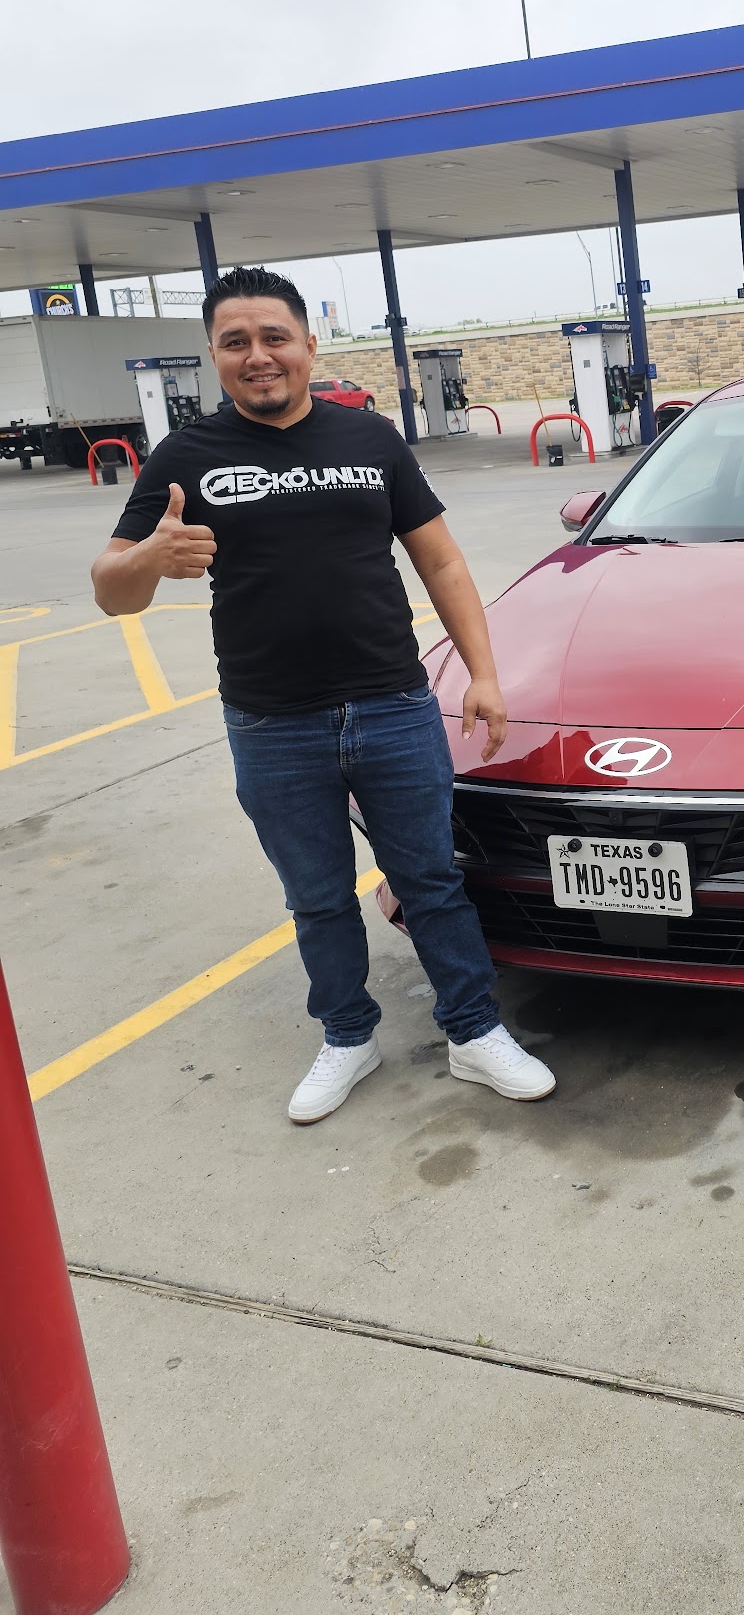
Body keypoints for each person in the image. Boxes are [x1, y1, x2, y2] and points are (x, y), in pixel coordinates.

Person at [92, 265, 554, 1122]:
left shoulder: (370, 439)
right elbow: (112, 591)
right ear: (214, 355)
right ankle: (347, 1034)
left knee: (431, 881)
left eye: (274, 337)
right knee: (315, 896)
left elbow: (442, 560)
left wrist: (484, 674)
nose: (258, 356)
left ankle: (473, 1030)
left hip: (393, 706)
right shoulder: (186, 457)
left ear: (308, 345)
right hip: (271, 721)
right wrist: (149, 558)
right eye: (236, 342)